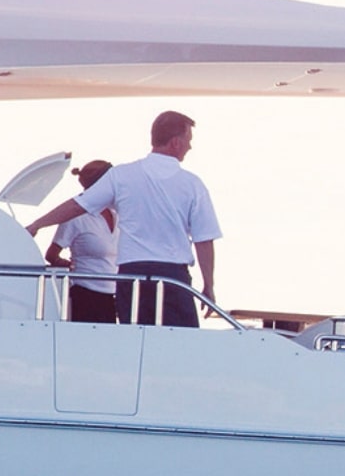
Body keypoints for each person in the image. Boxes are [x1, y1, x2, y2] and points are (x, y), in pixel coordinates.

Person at [23, 110, 220, 327]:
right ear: (175, 142)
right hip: (172, 278)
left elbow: (78, 205)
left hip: (131, 276)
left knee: (135, 345)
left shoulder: (122, 175)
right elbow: (204, 239)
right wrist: (209, 285)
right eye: (188, 141)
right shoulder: (192, 184)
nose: (189, 147)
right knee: (181, 345)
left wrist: (38, 223)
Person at [41, 160, 120, 323]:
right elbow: (51, 254)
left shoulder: (118, 214)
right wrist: (64, 264)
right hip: (86, 294)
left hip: (117, 294)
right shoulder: (75, 218)